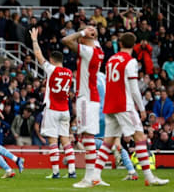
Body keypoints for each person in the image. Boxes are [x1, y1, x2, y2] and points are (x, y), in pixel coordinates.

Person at [92, 32, 169, 187]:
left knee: (108, 141)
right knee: (140, 137)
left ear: (120, 44)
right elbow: (134, 89)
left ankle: (95, 176)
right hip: (124, 105)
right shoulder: (130, 61)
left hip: (110, 104)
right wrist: (141, 108)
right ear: (134, 46)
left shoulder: (111, 60)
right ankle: (149, 177)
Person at [30, 27, 76, 179]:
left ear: (52, 60)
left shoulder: (51, 70)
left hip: (53, 109)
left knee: (53, 140)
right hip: (65, 110)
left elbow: (38, 54)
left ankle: (56, 172)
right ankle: (71, 171)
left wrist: (34, 40)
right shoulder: (69, 73)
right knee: (66, 140)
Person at [62, 26, 104, 188]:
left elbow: (65, 40)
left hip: (86, 98)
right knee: (89, 137)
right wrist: (91, 32)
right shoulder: (98, 49)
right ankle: (95, 176)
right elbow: (94, 38)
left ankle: (88, 178)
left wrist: (81, 32)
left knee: (87, 138)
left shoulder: (88, 51)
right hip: (92, 97)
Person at [95, 72, 139, 181]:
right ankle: (132, 171)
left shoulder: (90, 77)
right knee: (116, 142)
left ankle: (92, 175)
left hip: (97, 114)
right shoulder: (105, 77)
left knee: (88, 140)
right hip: (112, 111)